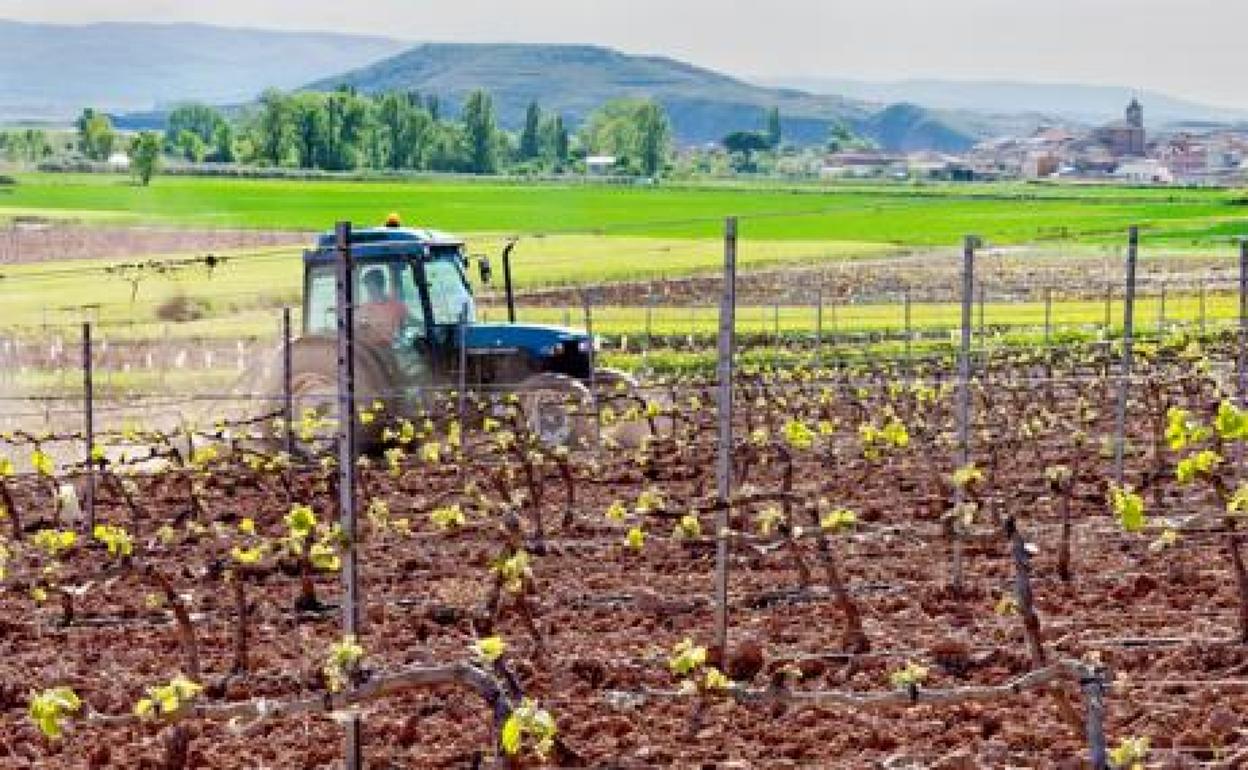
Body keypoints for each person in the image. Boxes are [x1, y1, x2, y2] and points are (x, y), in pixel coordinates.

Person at [359, 268, 409, 343]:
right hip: (371, 350)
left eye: (372, 288)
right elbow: (359, 331)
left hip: (391, 349)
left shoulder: (398, 306)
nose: (369, 291)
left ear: (381, 286)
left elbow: (405, 326)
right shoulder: (364, 309)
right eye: (367, 288)